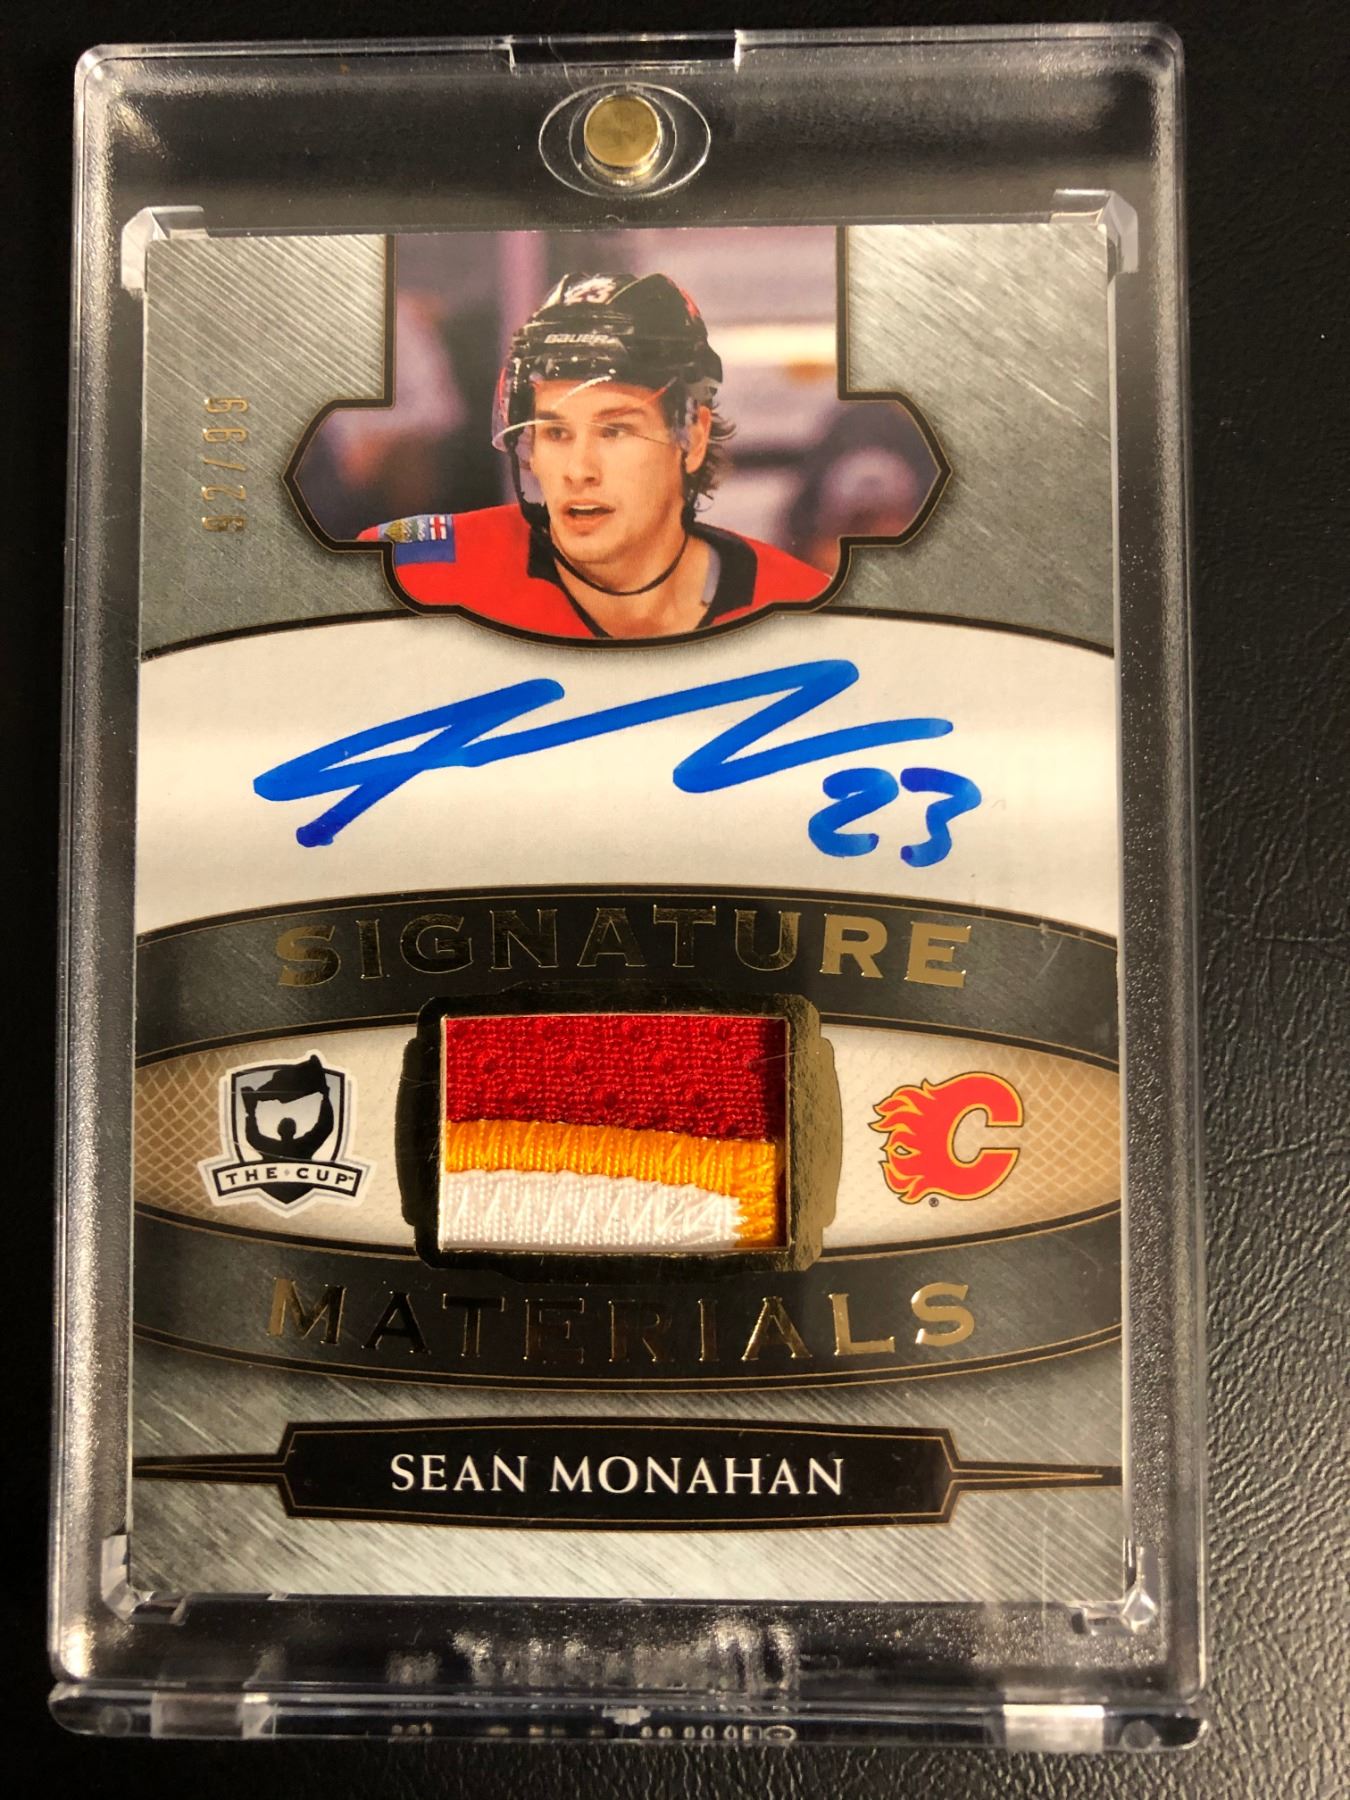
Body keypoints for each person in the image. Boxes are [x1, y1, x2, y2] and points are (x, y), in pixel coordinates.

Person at [359, 272, 830, 640]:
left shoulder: (800, 611)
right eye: (555, 432)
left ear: (692, 439)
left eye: (614, 431)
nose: (579, 470)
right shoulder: (420, 572)